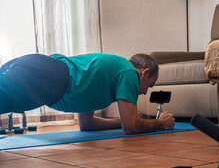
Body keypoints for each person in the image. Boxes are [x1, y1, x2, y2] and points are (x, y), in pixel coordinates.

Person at [0, 53, 175, 134]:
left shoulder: (103, 80)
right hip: (50, 73)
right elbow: (131, 127)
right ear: (143, 73)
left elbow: (87, 124)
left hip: (42, 73)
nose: (144, 92)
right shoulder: (130, 72)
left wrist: (127, 121)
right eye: (149, 85)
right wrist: (159, 123)